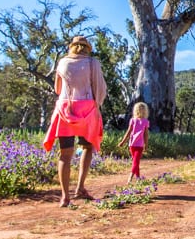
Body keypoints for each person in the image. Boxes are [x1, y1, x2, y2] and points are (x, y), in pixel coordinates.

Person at [42, 35, 108, 207]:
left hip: (66, 108)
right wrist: (96, 104)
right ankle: (80, 187)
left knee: (65, 153)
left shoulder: (63, 62)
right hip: (87, 108)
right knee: (87, 147)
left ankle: (65, 196)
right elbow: (99, 87)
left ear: (72, 47)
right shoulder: (93, 63)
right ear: (88, 48)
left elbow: (58, 89)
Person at [118, 102, 150, 183]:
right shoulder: (145, 121)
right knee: (136, 162)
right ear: (145, 111)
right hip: (139, 145)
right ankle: (131, 177)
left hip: (132, 144)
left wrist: (123, 142)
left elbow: (128, 133)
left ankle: (138, 178)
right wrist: (146, 144)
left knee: (136, 161)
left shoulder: (133, 120)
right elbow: (146, 135)